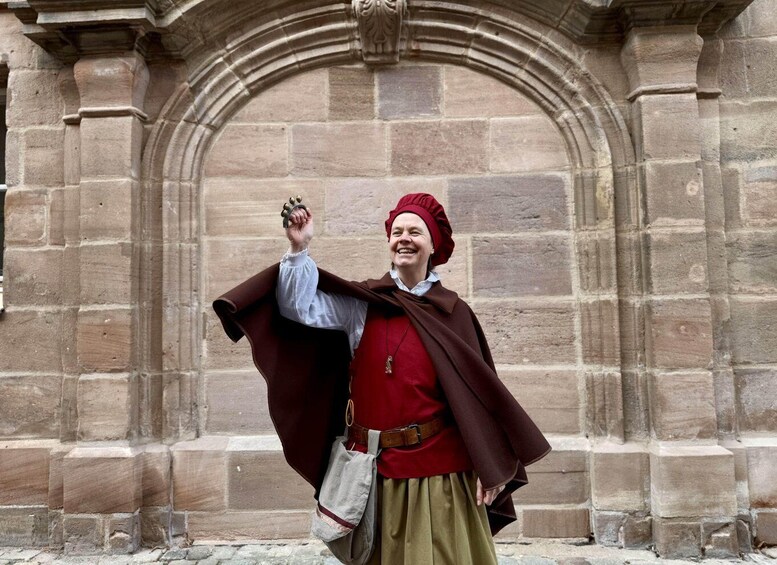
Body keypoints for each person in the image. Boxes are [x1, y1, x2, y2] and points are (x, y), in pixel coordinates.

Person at [213, 193, 550, 565]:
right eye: (397, 231)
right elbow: (299, 308)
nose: (404, 238)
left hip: (440, 473)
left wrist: (490, 464)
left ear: (434, 245)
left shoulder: (454, 314)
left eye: (415, 231)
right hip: (374, 472)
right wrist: (299, 247)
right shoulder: (363, 305)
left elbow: (478, 396)